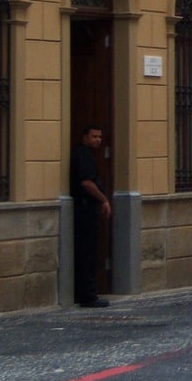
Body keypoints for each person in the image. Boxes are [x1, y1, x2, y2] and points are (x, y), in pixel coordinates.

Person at [71, 124, 111, 308]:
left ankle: (84, 293)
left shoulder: (85, 155)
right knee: (87, 252)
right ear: (85, 137)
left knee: (87, 251)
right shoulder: (83, 156)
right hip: (85, 210)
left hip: (85, 209)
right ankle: (87, 295)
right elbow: (87, 183)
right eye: (94, 136)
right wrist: (104, 200)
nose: (98, 140)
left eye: (100, 137)